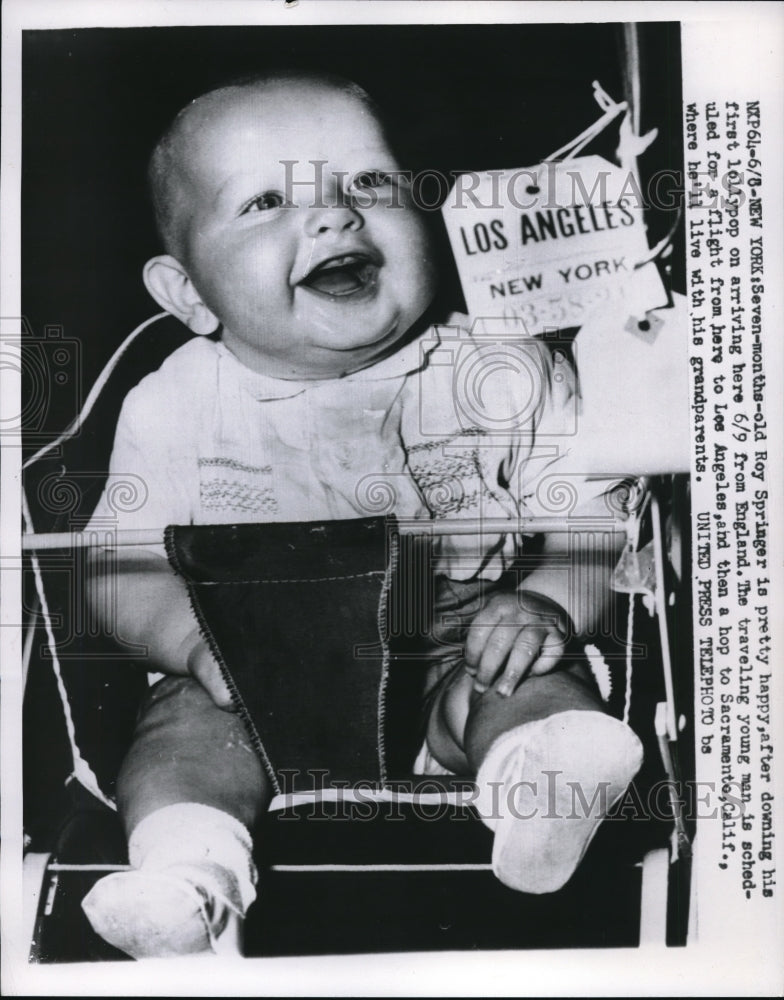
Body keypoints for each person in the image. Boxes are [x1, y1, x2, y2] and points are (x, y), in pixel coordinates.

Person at [81, 70, 643, 959]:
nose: (335, 217)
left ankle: (543, 789)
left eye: (371, 184)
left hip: (458, 659)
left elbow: (598, 526)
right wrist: (196, 646)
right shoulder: (175, 405)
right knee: (183, 734)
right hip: (251, 684)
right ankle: (191, 879)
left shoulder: (506, 369)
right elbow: (117, 569)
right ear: (187, 293)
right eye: (266, 201)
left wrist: (545, 604)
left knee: (530, 677)